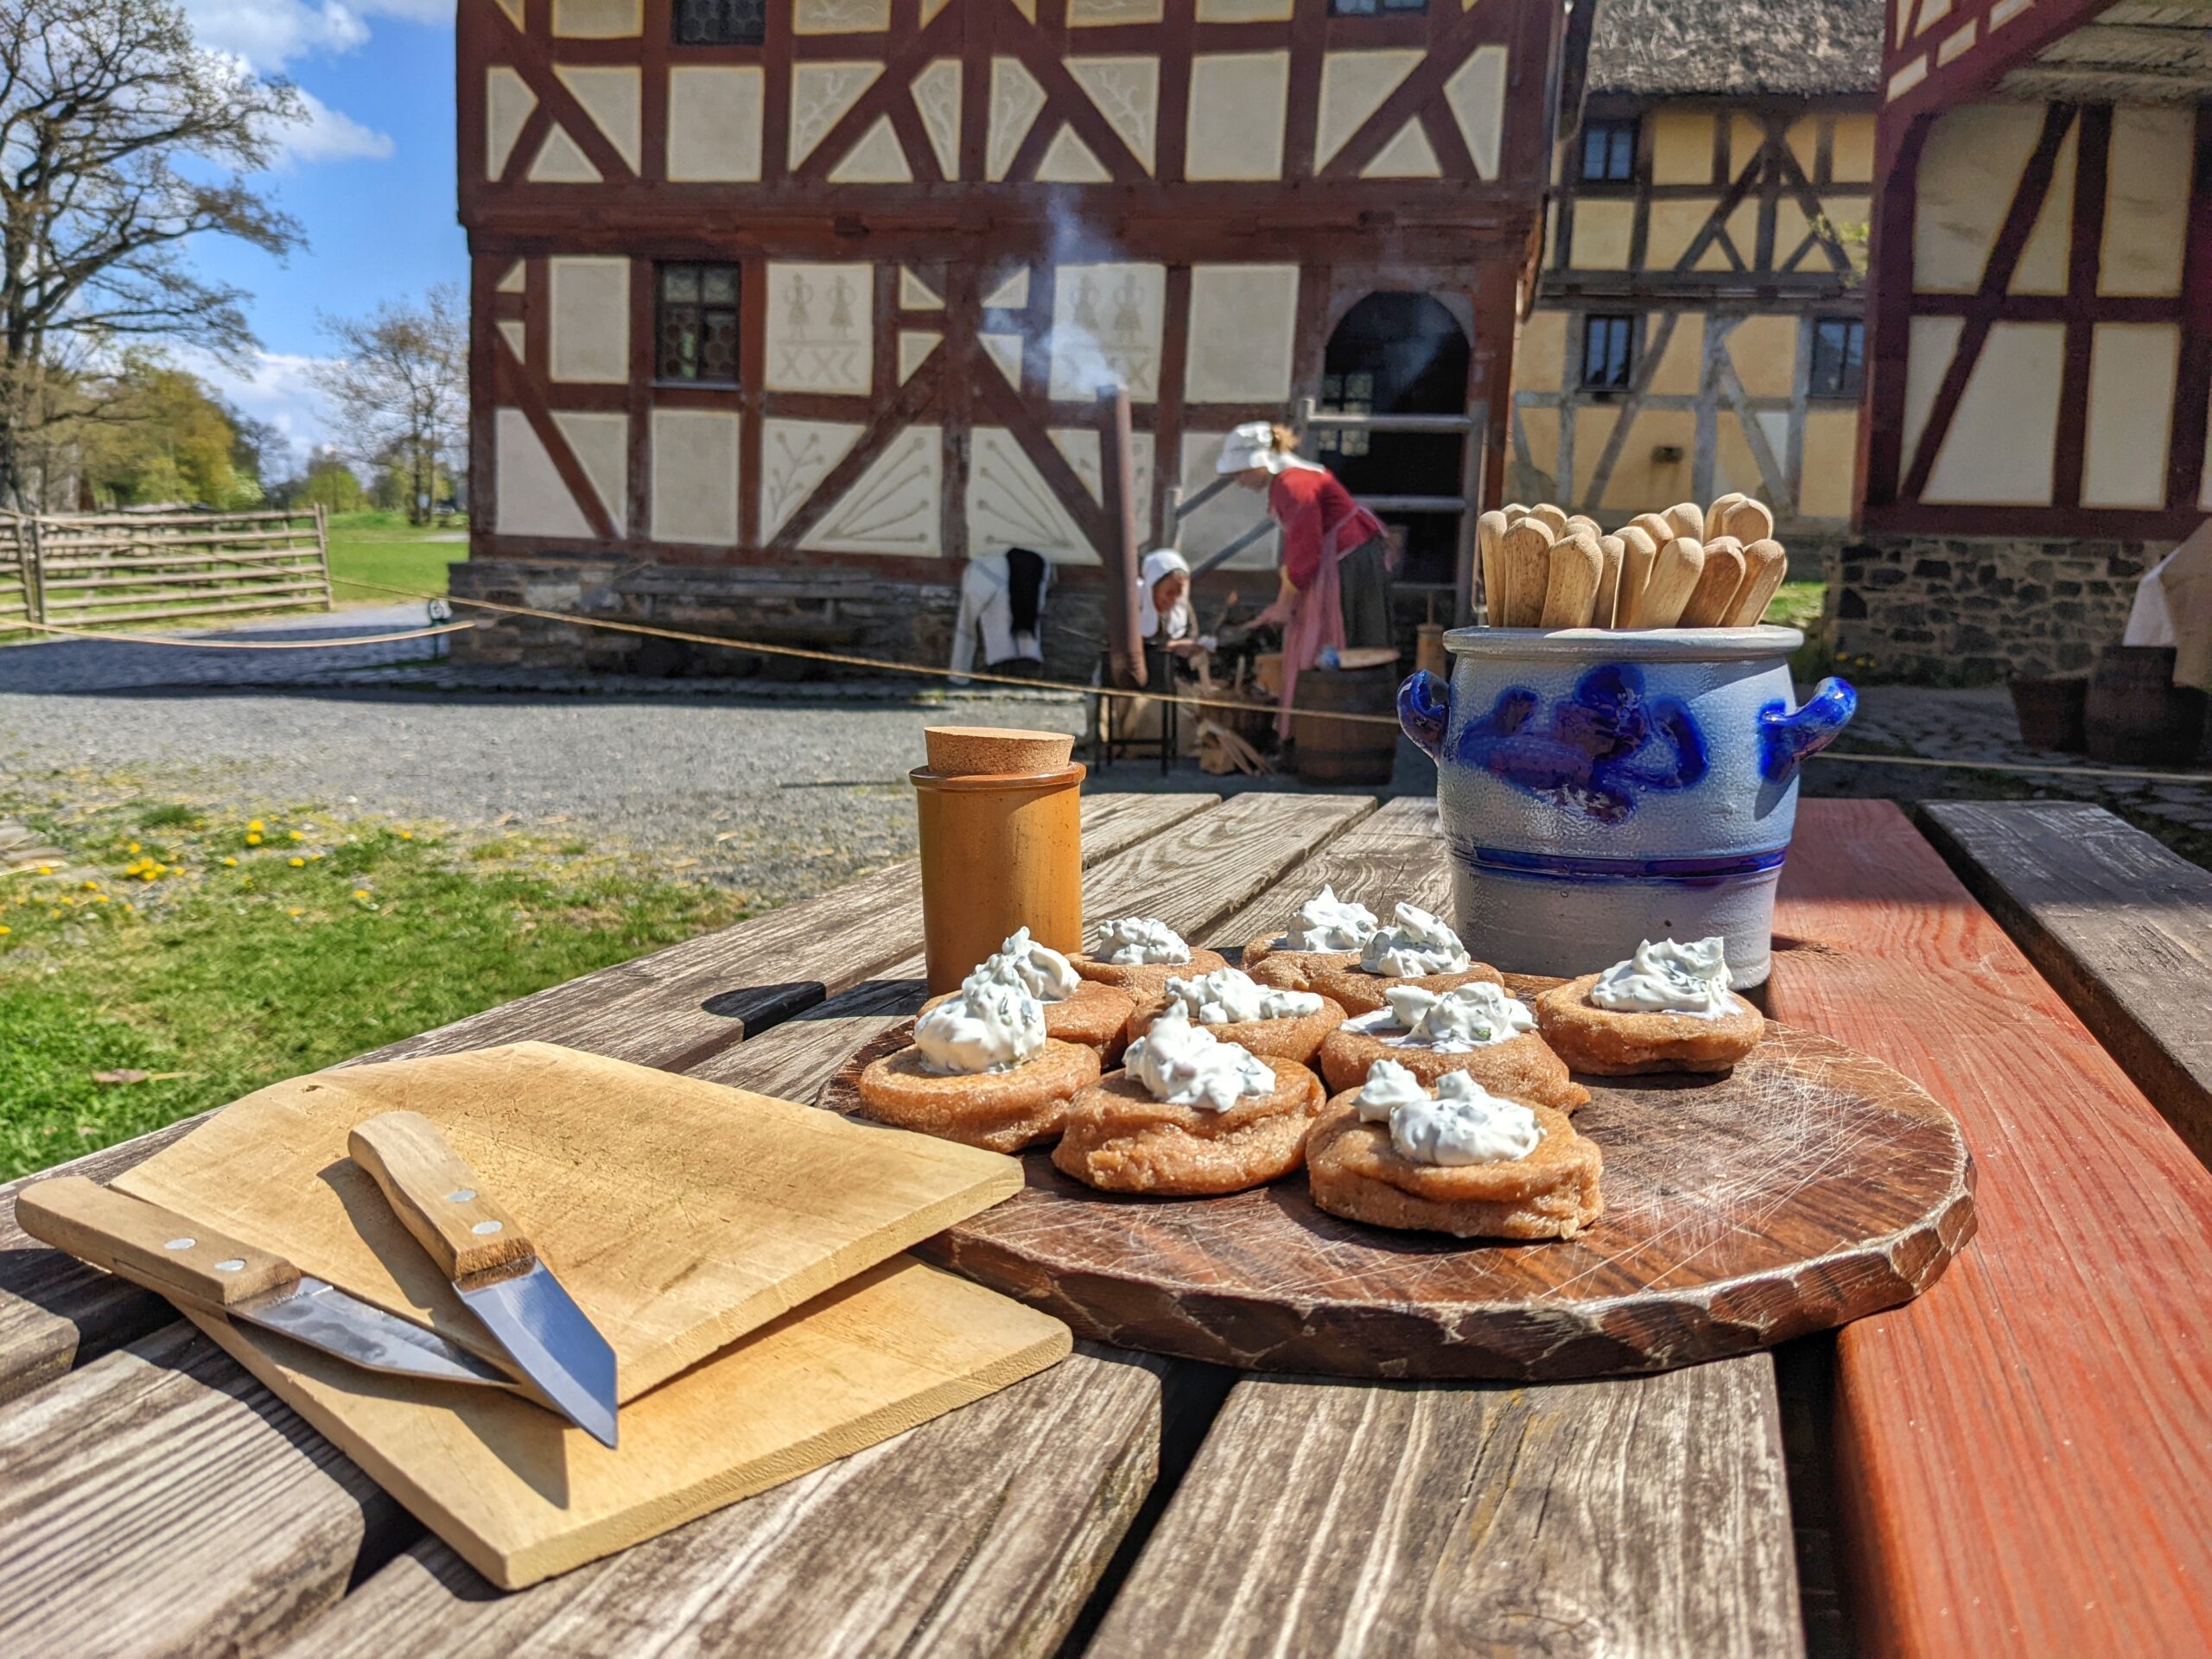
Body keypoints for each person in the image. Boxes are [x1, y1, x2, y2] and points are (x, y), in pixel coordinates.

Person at [1217, 421, 1393, 733]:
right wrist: (1281, 604)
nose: (1239, 481)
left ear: (1262, 464)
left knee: (1341, 647)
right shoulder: (1290, 480)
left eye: (1241, 473)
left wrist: (1284, 606)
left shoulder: (1293, 484)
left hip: (1348, 564)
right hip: (1340, 561)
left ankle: (1339, 733)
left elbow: (1304, 550)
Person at [1136, 548, 1216, 664]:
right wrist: (1172, 646)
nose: (1174, 600)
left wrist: (1193, 647)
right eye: (1169, 593)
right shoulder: (1134, 601)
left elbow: (1190, 636)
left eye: (1179, 593)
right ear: (1152, 588)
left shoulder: (1182, 608)